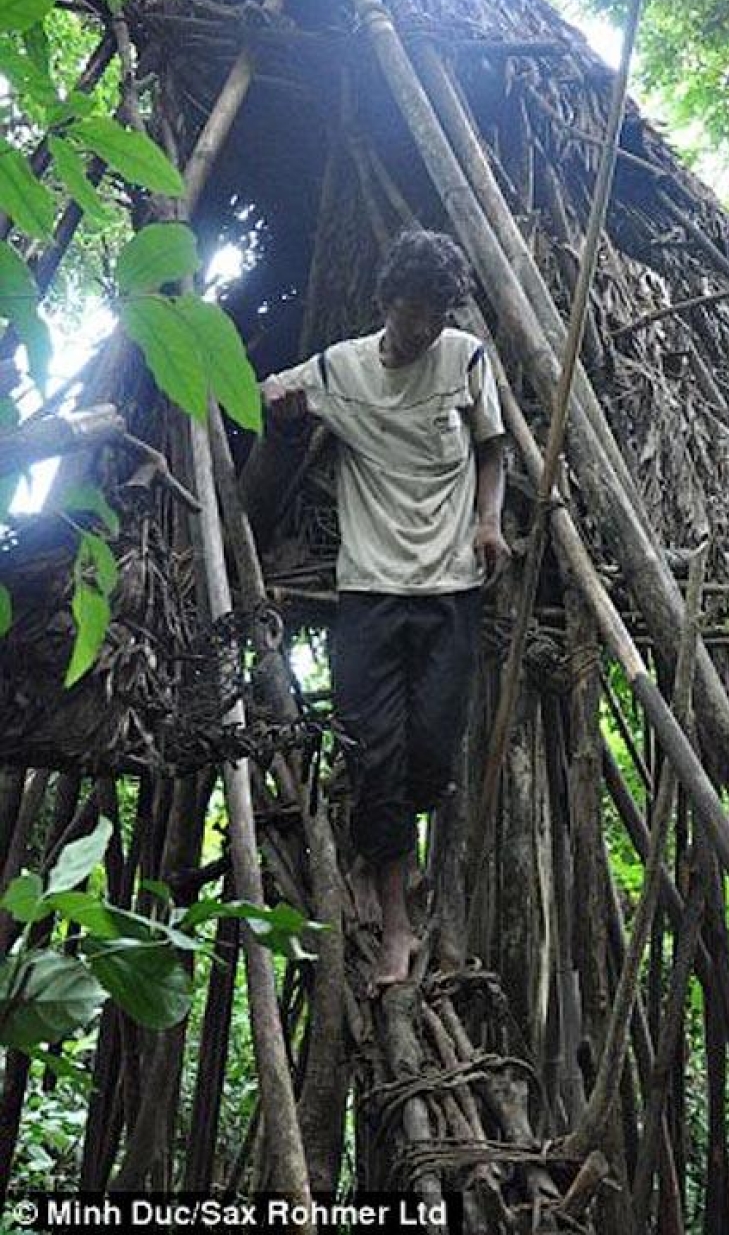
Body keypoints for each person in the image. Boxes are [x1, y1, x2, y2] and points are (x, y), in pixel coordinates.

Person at [261, 229, 510, 987]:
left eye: (434, 317)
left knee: (431, 750)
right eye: (411, 317)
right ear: (384, 304)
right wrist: (279, 410)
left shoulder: (465, 355)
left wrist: (488, 520)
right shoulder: (339, 367)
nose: (422, 332)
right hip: (367, 589)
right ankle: (398, 925)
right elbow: (272, 395)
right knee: (375, 752)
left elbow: (492, 448)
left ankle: (379, 863)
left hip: (450, 587)